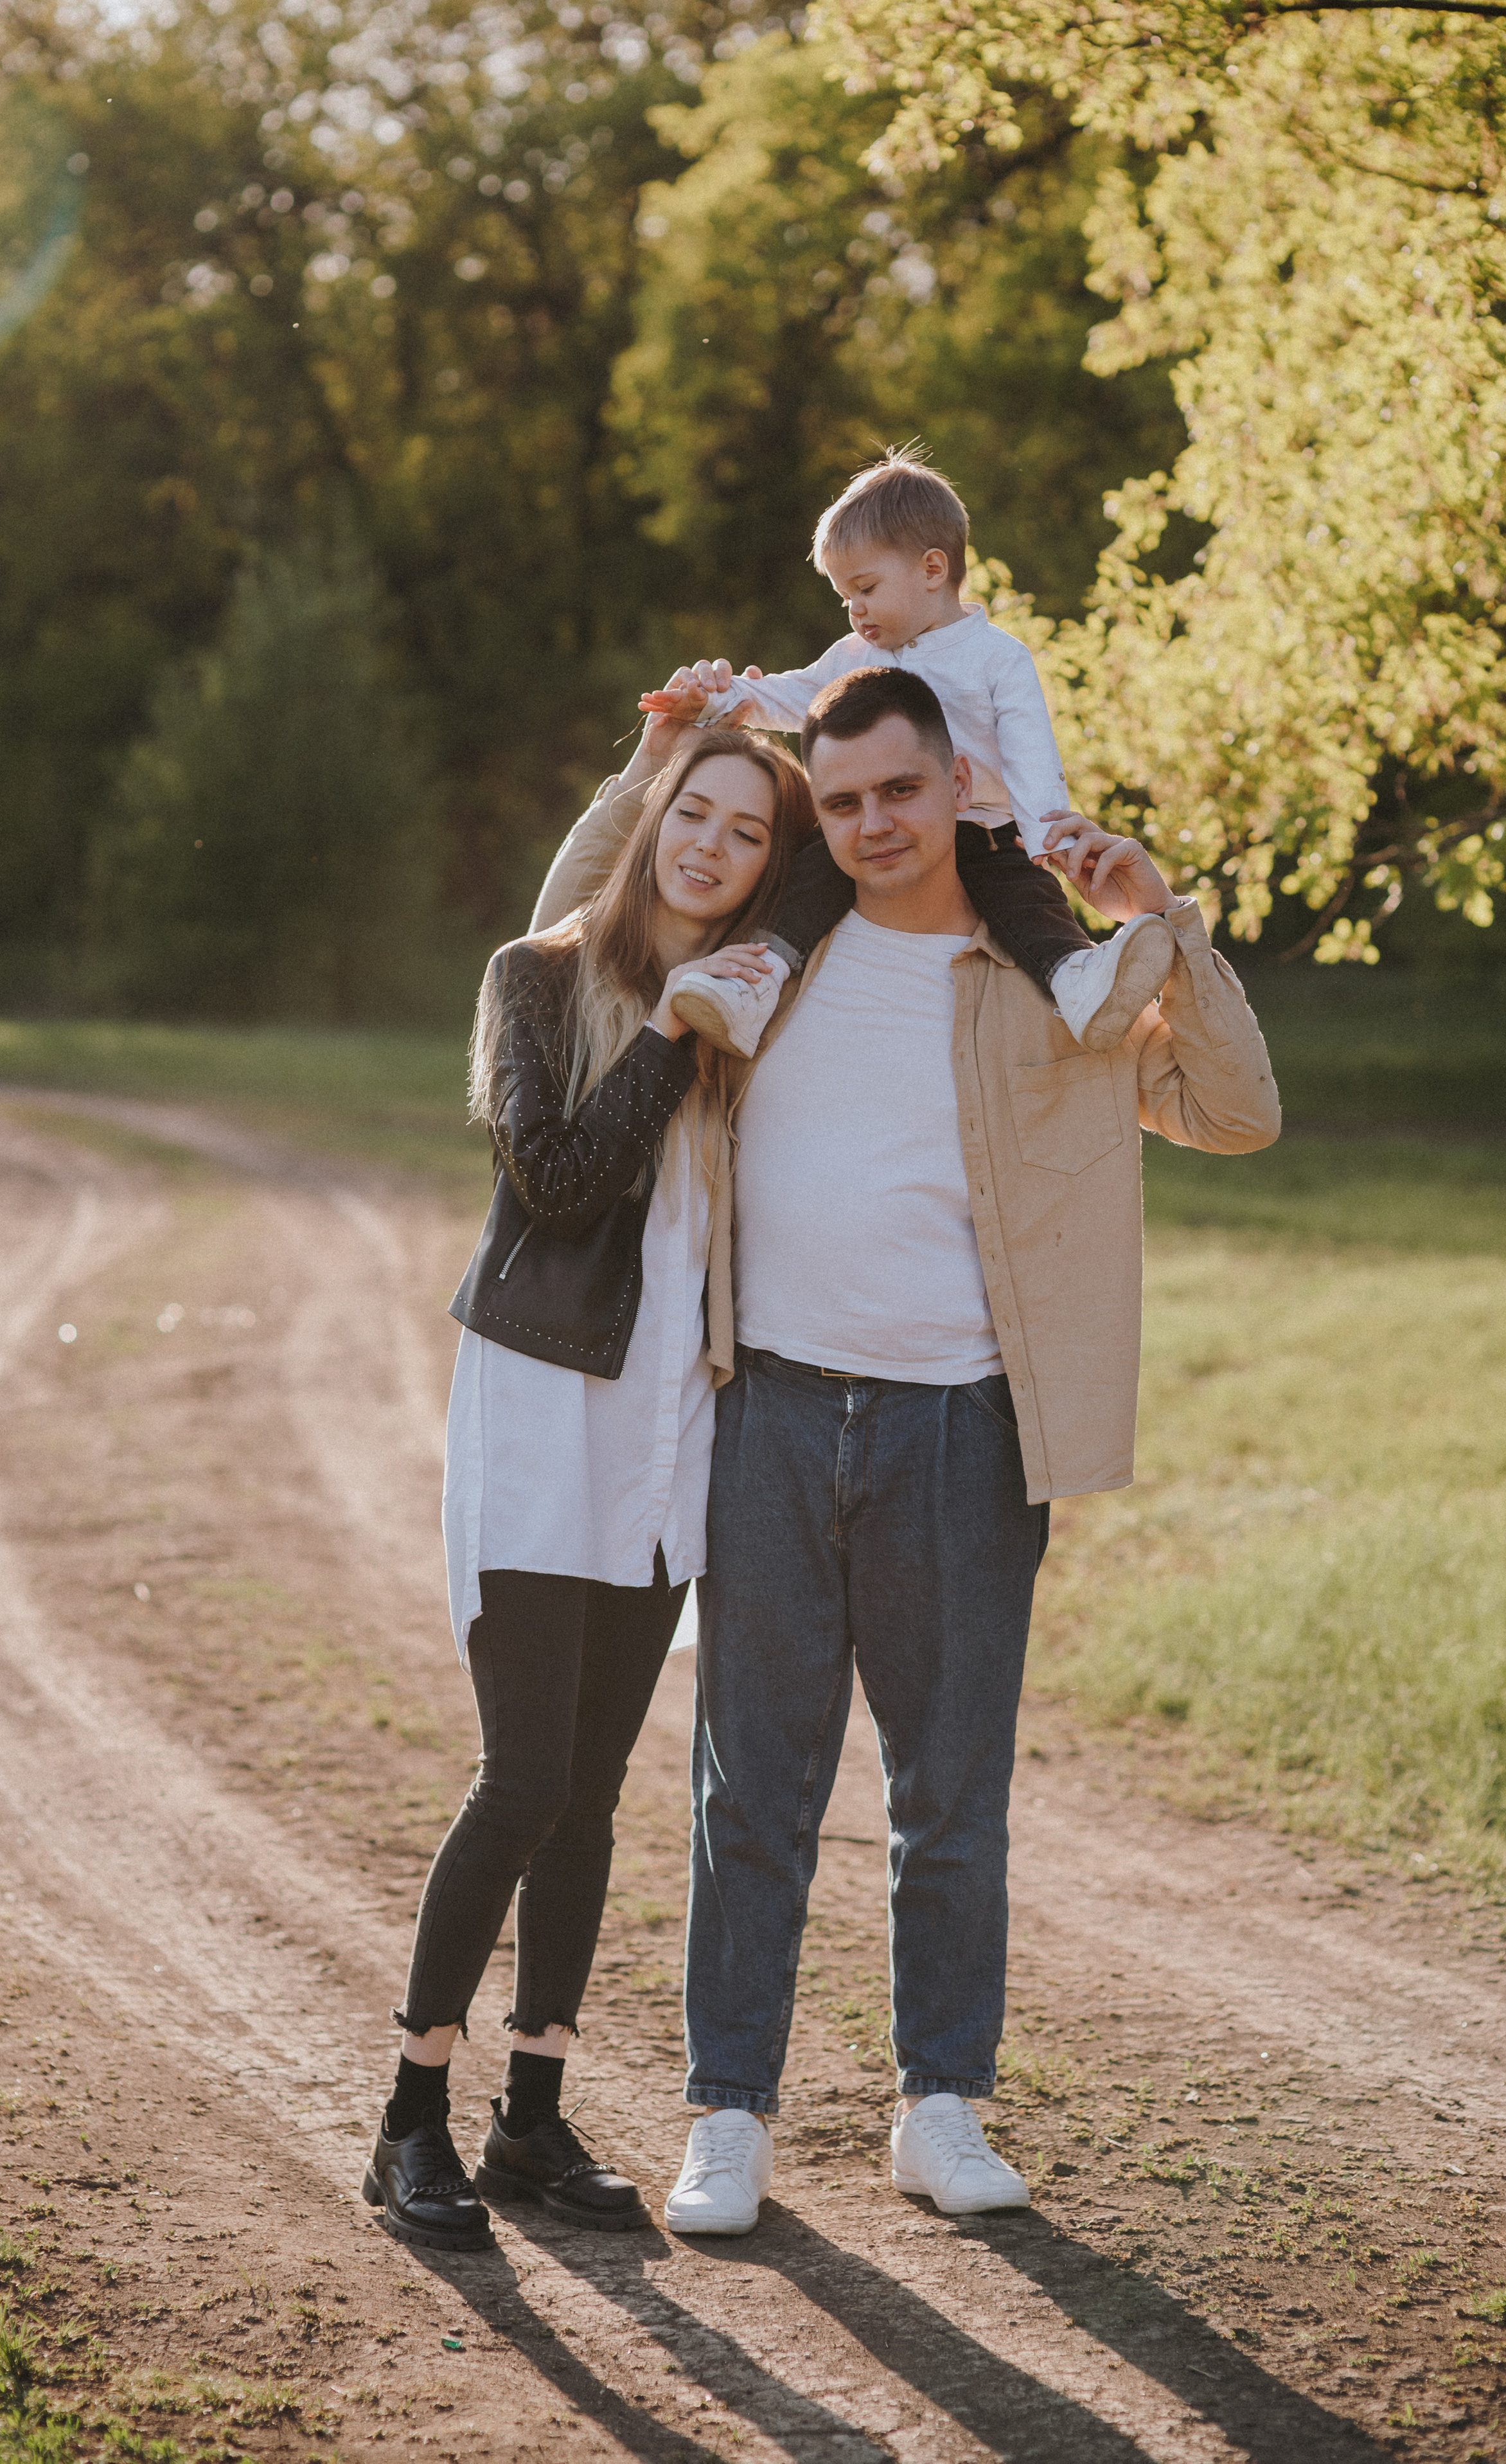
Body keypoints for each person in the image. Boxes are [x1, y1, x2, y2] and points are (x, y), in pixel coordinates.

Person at [655, 665, 1283, 2233]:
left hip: (962, 1425)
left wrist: (1167, 917)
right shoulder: (769, 959)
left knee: (950, 1793)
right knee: (751, 1788)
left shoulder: (1046, 977)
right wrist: (662, 751)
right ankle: (726, 2111)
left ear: (953, 787)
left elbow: (1233, 1107)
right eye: (844, 796)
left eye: (898, 791)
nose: (871, 822)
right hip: (774, 1411)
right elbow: (578, 922)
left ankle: (939, 2103)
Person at [362, 710, 812, 2253]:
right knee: (524, 1774)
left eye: (748, 830)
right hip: (543, 1413)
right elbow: (550, 1178)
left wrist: (837, 699)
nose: (713, 845)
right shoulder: (536, 977)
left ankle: (531, 2119)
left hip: (665, 1429)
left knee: (597, 1791)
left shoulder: (759, 1000)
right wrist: (675, 1027)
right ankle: (409, 2114)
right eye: (696, 811)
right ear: (651, 817)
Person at [637, 447, 1176, 1060]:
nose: (854, 609)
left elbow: (1031, 754)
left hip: (985, 830)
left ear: (932, 569)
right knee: (811, 876)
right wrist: (719, 698)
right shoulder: (853, 656)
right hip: (876, 828)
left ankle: (1077, 984)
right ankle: (755, 988)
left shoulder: (996, 657)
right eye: (844, 596)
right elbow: (795, 694)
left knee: (1025, 900)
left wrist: (1049, 834)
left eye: (865, 588)